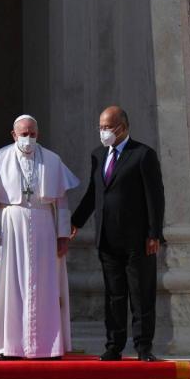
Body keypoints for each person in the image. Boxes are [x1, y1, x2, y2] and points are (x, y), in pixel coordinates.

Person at [0, 114, 79, 359]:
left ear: (38, 134)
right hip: (10, 226)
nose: (28, 138)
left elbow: (61, 202)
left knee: (44, 284)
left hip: (44, 227)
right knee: (9, 284)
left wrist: (62, 234)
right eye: (24, 134)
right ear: (14, 135)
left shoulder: (52, 161)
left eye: (33, 134)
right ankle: (9, 346)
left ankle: (47, 345)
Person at [70, 105, 165, 362]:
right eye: (101, 127)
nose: (103, 132)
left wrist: (154, 233)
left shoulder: (143, 155)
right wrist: (74, 221)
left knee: (140, 294)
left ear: (122, 127)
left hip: (138, 240)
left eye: (108, 127)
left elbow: (155, 196)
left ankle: (144, 347)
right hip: (107, 239)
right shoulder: (98, 155)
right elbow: (94, 193)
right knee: (114, 295)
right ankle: (114, 346)